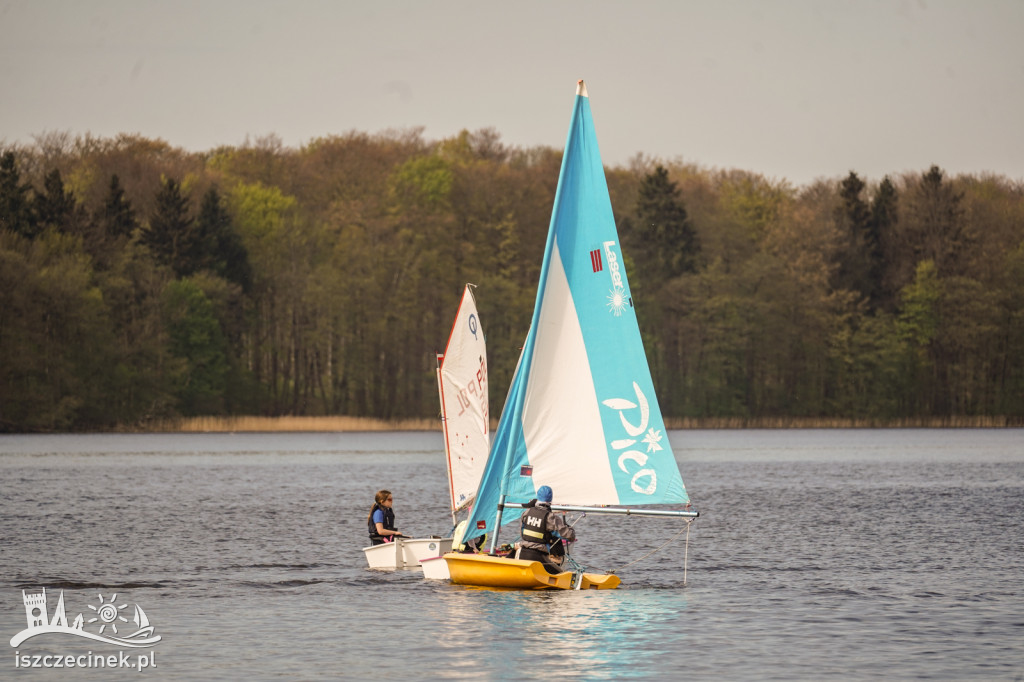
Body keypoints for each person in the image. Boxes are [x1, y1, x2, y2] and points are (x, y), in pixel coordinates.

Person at [519, 485, 576, 574]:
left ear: (537, 497)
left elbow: (522, 534)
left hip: (522, 554)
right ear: (550, 500)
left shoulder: (526, 513)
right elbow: (570, 536)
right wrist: (569, 528)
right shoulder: (551, 518)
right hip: (539, 558)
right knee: (560, 574)